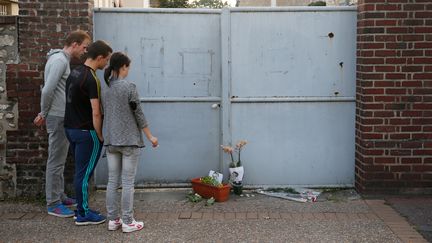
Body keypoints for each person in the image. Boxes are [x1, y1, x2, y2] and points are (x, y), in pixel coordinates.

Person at [33, 30, 91, 218]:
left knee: (60, 159)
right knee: (56, 161)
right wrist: (43, 113)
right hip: (57, 117)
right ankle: (53, 203)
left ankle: (60, 195)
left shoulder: (61, 60)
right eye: (83, 47)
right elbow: (47, 89)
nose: (85, 51)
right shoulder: (59, 61)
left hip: (61, 116)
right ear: (74, 44)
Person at [102, 52, 158, 233]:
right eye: (128, 67)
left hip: (111, 141)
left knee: (112, 181)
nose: (128, 71)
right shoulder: (129, 87)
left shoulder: (107, 89)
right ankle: (127, 221)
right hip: (129, 142)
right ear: (123, 67)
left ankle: (113, 220)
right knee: (127, 183)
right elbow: (138, 113)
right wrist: (150, 136)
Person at [64, 40, 113, 225]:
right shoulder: (92, 78)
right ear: (99, 58)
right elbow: (96, 111)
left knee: (80, 173)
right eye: (106, 60)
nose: (106, 64)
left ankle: (81, 208)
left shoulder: (75, 71)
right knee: (84, 175)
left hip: (71, 129)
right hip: (86, 133)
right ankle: (83, 214)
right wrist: (99, 135)